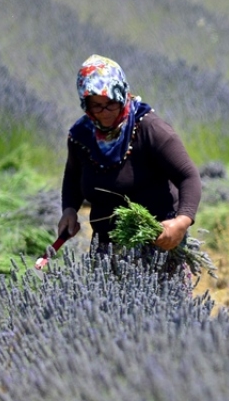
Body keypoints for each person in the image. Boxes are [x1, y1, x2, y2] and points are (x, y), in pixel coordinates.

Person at [53, 55, 202, 275]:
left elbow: (188, 176)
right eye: (97, 106)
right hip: (106, 245)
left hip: (158, 241)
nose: (105, 113)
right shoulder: (81, 136)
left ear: (122, 95)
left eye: (111, 103)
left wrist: (180, 223)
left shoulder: (151, 130)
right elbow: (73, 177)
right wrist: (69, 210)